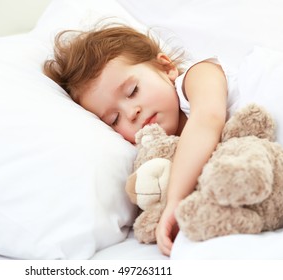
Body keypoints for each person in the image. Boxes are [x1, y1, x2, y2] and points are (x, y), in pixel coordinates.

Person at [43, 24, 230, 256]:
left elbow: (208, 119)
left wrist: (175, 200)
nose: (132, 112)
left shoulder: (198, 76)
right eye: (114, 119)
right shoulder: (158, 151)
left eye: (132, 91)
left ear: (166, 66)